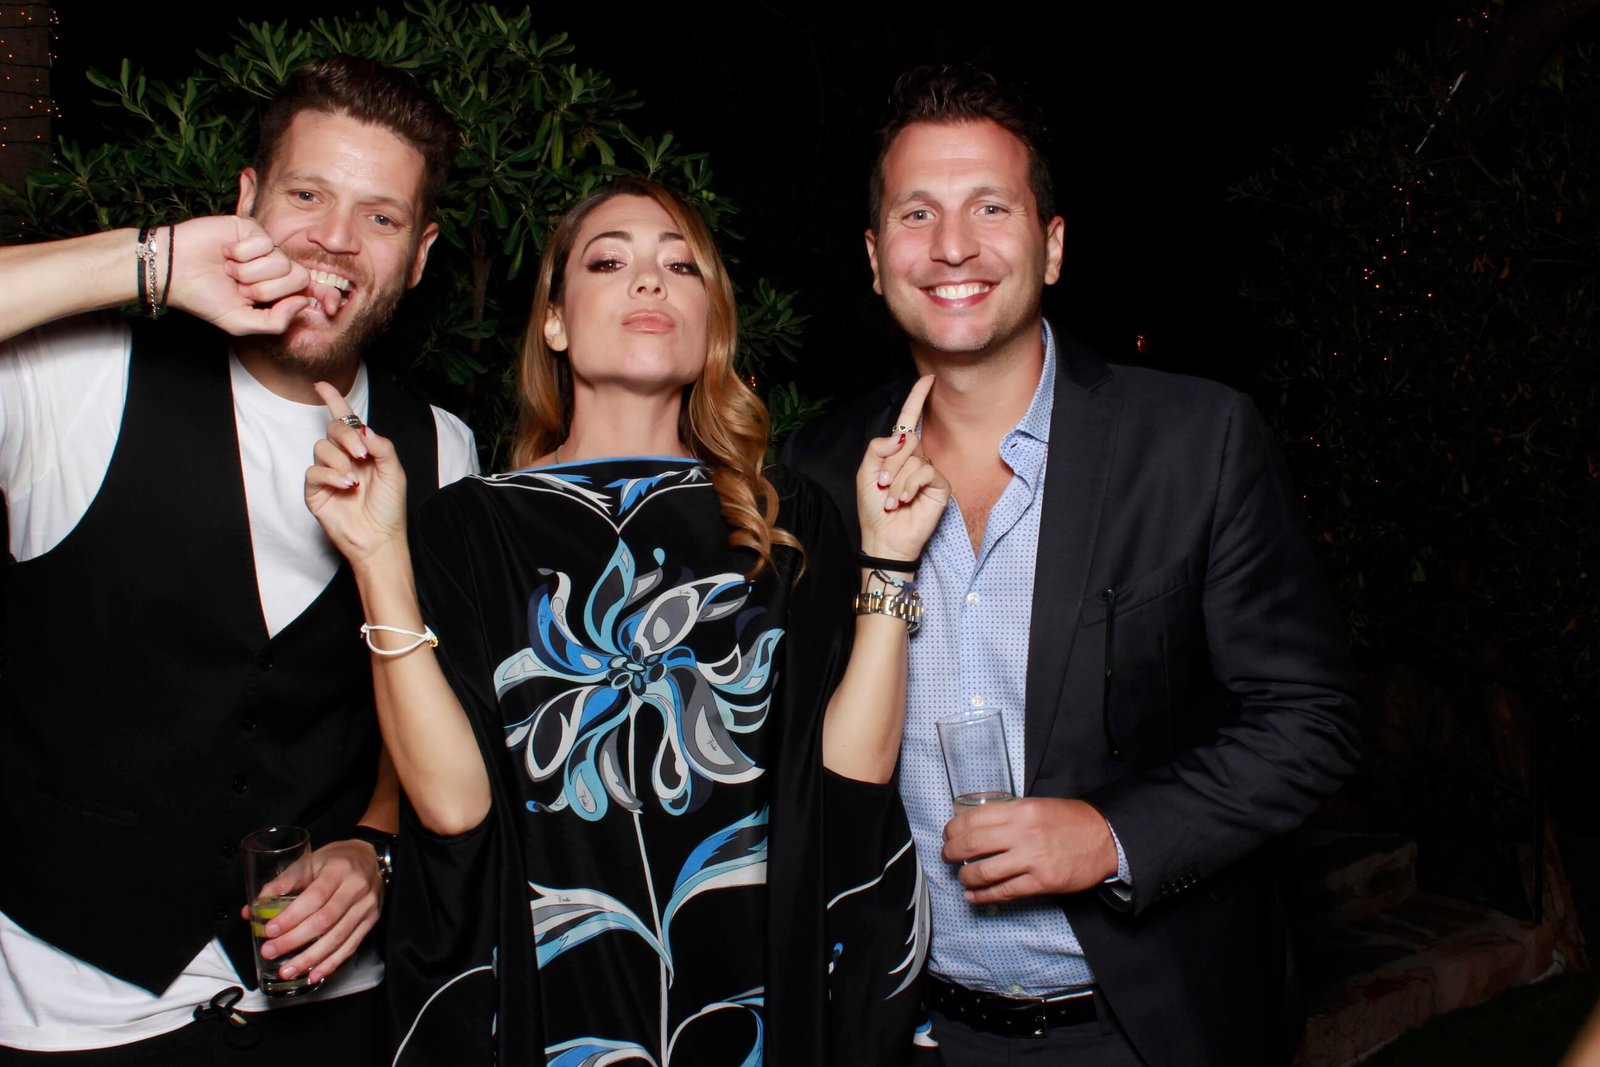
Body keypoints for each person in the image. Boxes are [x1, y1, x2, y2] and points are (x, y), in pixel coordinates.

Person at [782, 63, 1364, 1066]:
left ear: (1051, 246)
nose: (952, 245)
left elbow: (1310, 717)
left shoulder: (1193, 440)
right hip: (910, 1033)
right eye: (917, 213)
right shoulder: (819, 469)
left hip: (1144, 1031)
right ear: (875, 259)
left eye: (990, 207)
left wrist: (1111, 836)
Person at [306, 175, 944, 1065]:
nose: (649, 280)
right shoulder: (467, 526)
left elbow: (850, 782)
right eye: (610, 262)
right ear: (555, 322)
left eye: (681, 267)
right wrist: (378, 557)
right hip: (553, 1008)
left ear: (711, 323)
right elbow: (452, 809)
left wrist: (890, 558)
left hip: (752, 1002)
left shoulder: (788, 515)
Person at [0, 56, 477, 1062]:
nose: (336, 237)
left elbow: (424, 710)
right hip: (69, 1011)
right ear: (247, 198)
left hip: (334, 1012)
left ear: (419, 255)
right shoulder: (81, 376)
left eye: (381, 216)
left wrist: (375, 844)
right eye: (307, 195)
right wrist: (149, 262)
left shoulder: (443, 448)